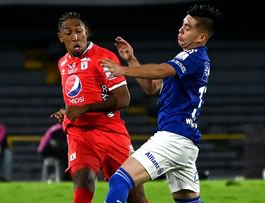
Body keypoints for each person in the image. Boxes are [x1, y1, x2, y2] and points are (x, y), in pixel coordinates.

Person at [100, 4, 222, 203]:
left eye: (188, 27)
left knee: (120, 181)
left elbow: (160, 70)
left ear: (201, 37)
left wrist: (123, 70)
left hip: (172, 137)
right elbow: (152, 87)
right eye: (182, 25)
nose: (181, 30)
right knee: (188, 201)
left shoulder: (195, 57)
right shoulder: (186, 57)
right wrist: (132, 60)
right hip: (185, 143)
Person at [50, 12, 147, 203]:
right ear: (61, 37)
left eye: (79, 31)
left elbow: (123, 99)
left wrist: (85, 108)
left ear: (86, 32)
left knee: (136, 196)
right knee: (83, 181)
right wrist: (68, 111)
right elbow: (77, 97)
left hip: (111, 131)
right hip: (80, 133)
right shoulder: (62, 63)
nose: (75, 36)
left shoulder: (104, 57)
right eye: (68, 32)